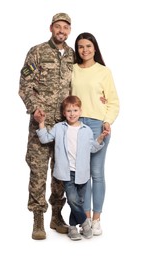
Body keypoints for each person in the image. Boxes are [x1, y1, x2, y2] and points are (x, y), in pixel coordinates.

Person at [18, 12, 75, 240]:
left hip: (64, 125)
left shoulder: (73, 55)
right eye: (58, 26)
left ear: (69, 31)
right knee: (39, 171)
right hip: (41, 124)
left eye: (66, 28)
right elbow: (24, 84)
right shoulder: (37, 51)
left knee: (60, 172)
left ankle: (56, 215)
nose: (62, 31)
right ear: (51, 27)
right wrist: (34, 108)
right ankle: (38, 218)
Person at [34, 95, 108, 240]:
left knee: (78, 202)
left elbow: (92, 148)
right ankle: (85, 223)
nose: (72, 113)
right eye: (69, 111)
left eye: (75, 110)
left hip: (82, 173)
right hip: (66, 173)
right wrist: (41, 123)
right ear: (64, 113)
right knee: (72, 199)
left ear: (80, 111)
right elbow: (45, 139)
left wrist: (100, 139)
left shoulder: (86, 130)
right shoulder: (59, 128)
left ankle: (73, 228)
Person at [71, 32, 120, 236]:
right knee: (82, 175)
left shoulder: (104, 72)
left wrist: (107, 121)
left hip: (98, 125)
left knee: (97, 173)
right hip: (77, 126)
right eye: (81, 46)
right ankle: (86, 219)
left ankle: (97, 219)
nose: (85, 50)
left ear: (95, 48)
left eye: (88, 46)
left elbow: (113, 102)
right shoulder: (72, 69)